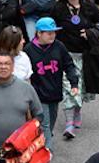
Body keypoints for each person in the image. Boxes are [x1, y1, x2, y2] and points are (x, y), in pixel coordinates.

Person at [52, 0, 99, 138]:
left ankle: (77, 113)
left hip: (86, 56)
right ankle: (69, 124)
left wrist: (90, 34)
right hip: (66, 56)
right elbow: (51, 29)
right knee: (69, 88)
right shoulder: (58, 8)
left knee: (80, 89)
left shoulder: (90, 8)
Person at [23, 17, 79, 149]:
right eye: (48, 33)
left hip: (54, 93)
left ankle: (43, 139)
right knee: (45, 124)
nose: (52, 35)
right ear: (39, 33)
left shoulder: (59, 47)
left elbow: (69, 65)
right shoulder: (29, 50)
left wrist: (74, 84)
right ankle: (47, 152)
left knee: (50, 123)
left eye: (54, 32)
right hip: (38, 95)